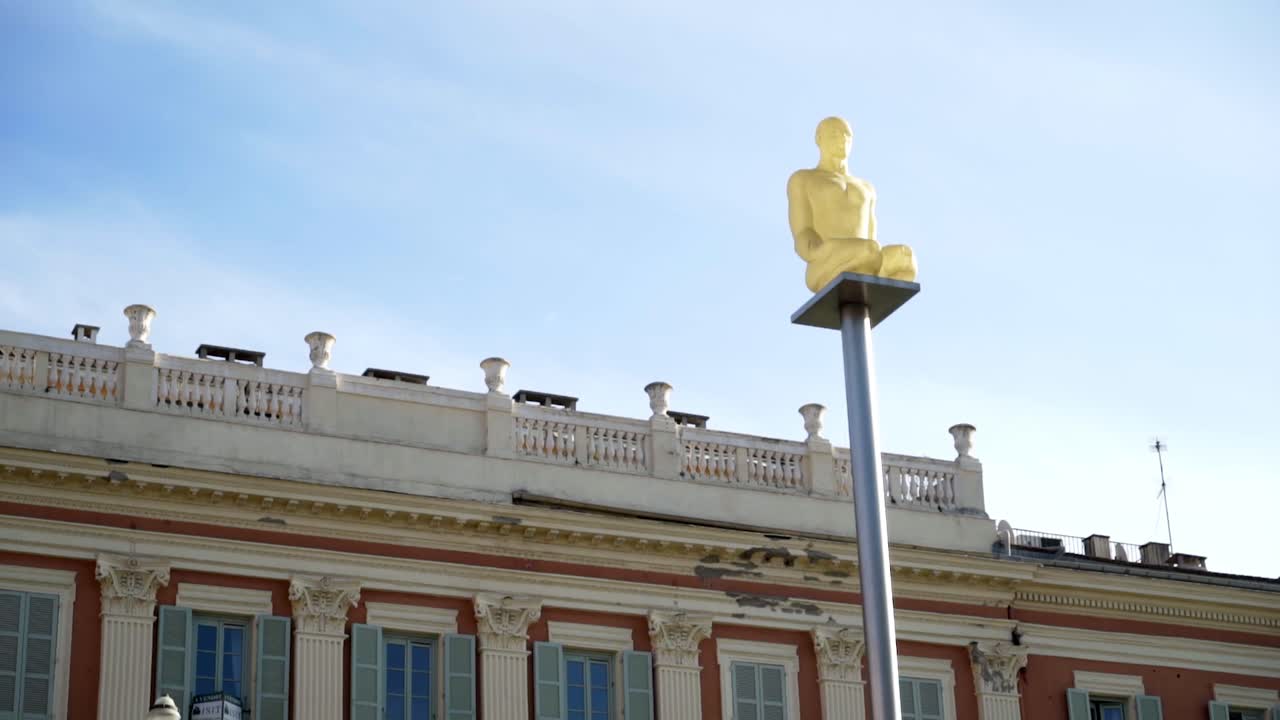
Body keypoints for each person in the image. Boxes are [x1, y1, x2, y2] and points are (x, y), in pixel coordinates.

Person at [787, 116, 917, 291]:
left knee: (905, 258)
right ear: (819, 139)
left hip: (866, 254)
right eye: (834, 134)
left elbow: (871, 235)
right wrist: (817, 252)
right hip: (826, 259)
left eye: (846, 135)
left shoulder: (866, 187)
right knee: (868, 251)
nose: (842, 139)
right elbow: (803, 231)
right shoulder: (804, 179)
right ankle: (872, 271)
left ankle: (872, 273)